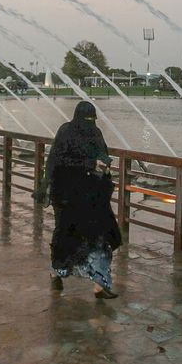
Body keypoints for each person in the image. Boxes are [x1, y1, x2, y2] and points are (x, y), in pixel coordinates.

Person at [41, 100, 122, 299]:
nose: (89, 122)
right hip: (66, 193)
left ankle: (99, 284)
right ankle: (56, 272)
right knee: (67, 235)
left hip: (90, 194)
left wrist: (104, 161)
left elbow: (102, 152)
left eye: (92, 119)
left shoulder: (95, 132)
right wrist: (44, 187)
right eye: (86, 119)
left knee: (99, 236)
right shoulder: (66, 132)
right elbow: (56, 160)